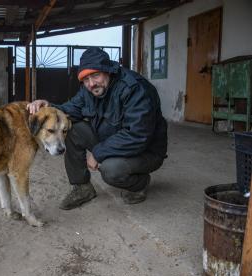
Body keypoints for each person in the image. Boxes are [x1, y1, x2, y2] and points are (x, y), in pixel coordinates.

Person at [27, 47, 167, 210]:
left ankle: (140, 183)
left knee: (110, 170)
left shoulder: (135, 89)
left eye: (95, 75)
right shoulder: (89, 90)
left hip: (145, 150)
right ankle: (82, 187)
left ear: (108, 71)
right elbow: (69, 109)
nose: (91, 83)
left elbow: (137, 135)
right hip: (110, 140)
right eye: (86, 79)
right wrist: (49, 106)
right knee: (72, 128)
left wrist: (98, 153)